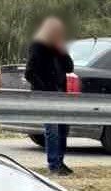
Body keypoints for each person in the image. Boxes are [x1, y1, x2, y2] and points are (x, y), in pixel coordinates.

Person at [24, 17, 74, 176]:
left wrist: (62, 51)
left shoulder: (58, 48)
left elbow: (69, 68)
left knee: (63, 129)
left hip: (61, 93)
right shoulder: (38, 46)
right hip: (47, 93)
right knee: (52, 129)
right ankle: (53, 164)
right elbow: (29, 73)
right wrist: (44, 90)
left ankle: (60, 162)